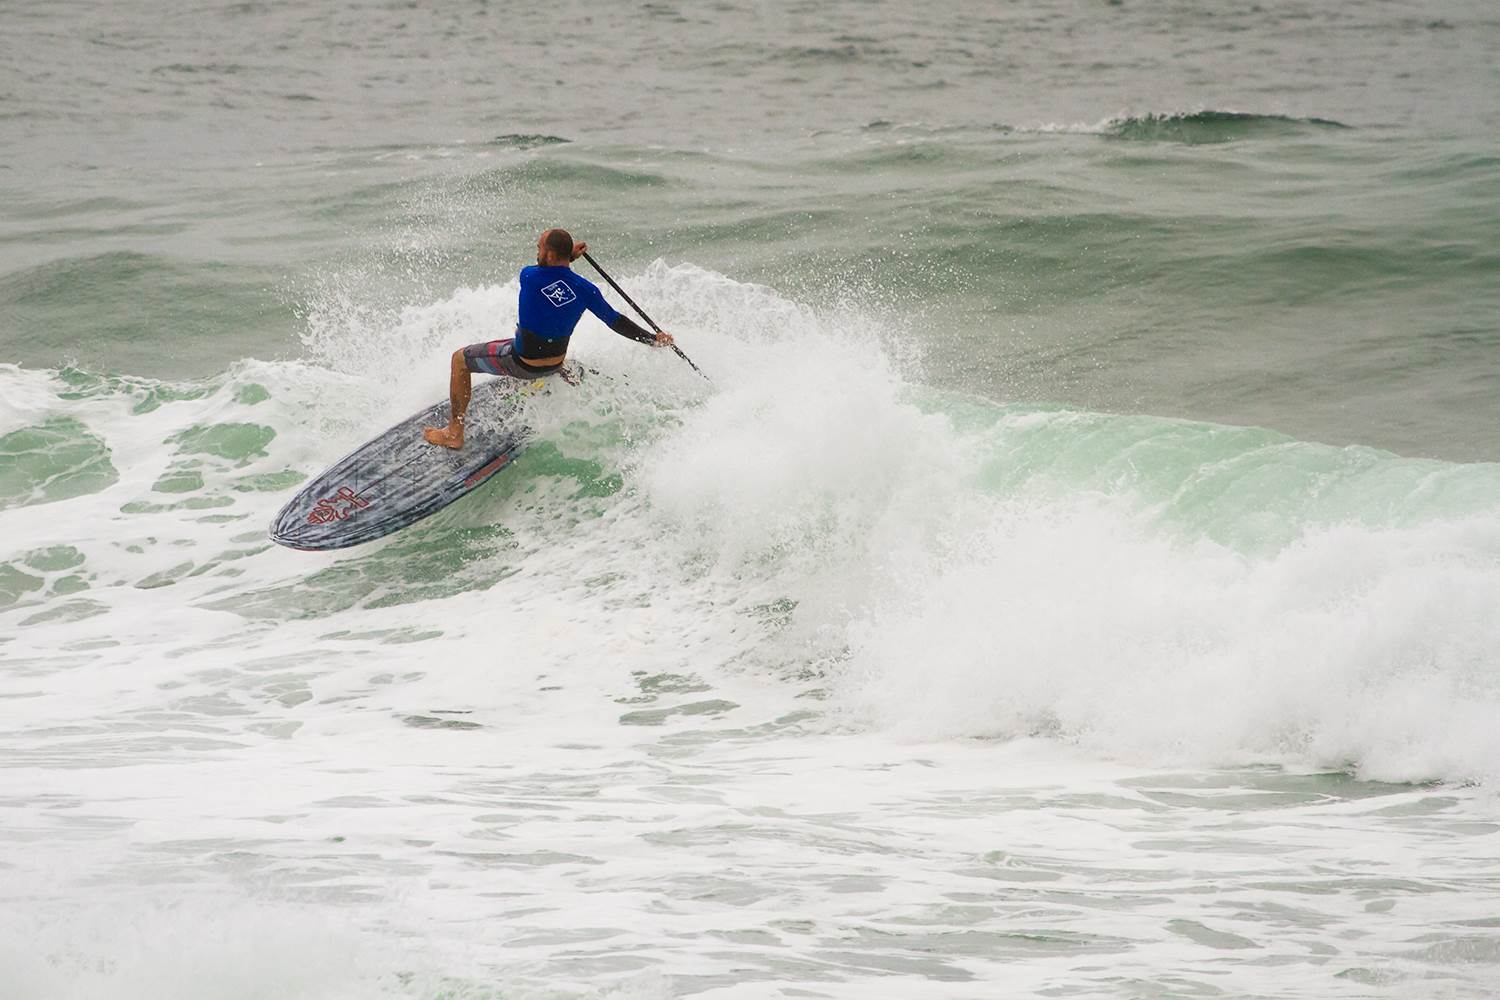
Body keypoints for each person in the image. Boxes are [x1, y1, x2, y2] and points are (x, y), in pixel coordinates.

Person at [422, 229, 674, 449]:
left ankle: (454, 432)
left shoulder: (529, 276)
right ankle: (534, 384)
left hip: (522, 363)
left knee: (459, 359)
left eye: (540, 248)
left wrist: (569, 256)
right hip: (555, 364)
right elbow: (616, 321)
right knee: (535, 338)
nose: (537, 252)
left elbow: (549, 272)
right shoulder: (587, 289)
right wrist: (653, 339)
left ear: (550, 255)